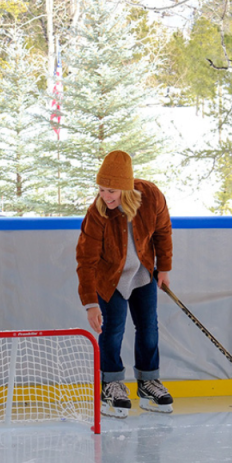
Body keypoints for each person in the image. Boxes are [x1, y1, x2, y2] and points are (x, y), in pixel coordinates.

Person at [75, 150, 173, 418]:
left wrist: (163, 267)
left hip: (141, 274)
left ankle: (148, 382)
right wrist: (90, 303)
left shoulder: (151, 197)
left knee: (148, 328)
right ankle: (112, 384)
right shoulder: (97, 213)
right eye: (102, 189)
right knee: (113, 329)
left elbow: (163, 231)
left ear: (126, 187)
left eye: (112, 190)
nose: (106, 196)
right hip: (110, 279)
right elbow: (86, 260)